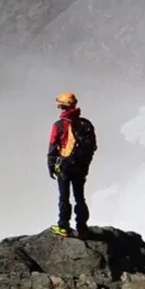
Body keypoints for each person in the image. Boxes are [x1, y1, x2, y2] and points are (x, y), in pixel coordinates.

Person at [47, 92, 97, 237]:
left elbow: (52, 147)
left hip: (64, 166)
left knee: (64, 197)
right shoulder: (86, 124)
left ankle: (63, 227)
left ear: (62, 107)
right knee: (80, 197)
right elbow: (93, 146)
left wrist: (51, 166)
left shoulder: (58, 125)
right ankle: (82, 228)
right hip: (81, 166)